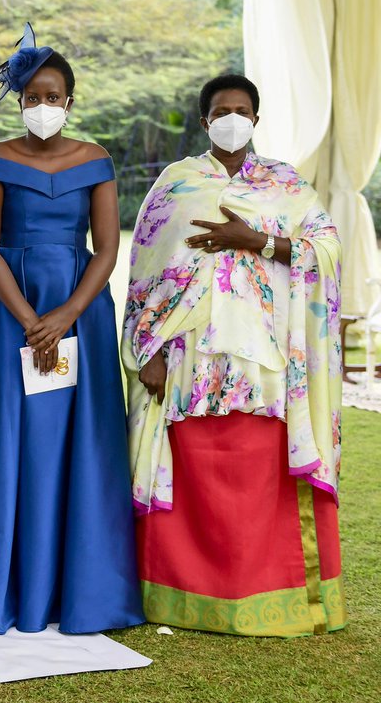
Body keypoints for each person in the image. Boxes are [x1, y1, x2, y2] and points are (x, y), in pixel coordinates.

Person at [0, 24, 143, 634]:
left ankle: (74, 587)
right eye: (32, 97)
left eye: (53, 96)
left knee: (75, 444)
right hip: (7, 313)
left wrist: (66, 317)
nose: (43, 107)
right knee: (3, 437)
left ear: (69, 101)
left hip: (79, 309)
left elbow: (106, 249)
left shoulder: (96, 159)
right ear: (20, 102)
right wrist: (31, 322)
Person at [123, 74, 344, 636]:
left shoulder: (285, 184)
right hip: (189, 359)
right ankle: (178, 597)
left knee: (255, 479)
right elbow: (145, 275)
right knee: (195, 476)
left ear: (256, 119)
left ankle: (264, 593)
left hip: (263, 358)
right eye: (221, 110)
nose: (231, 118)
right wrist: (145, 350)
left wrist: (257, 240)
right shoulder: (174, 185)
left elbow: (326, 248)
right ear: (204, 121)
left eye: (241, 110)